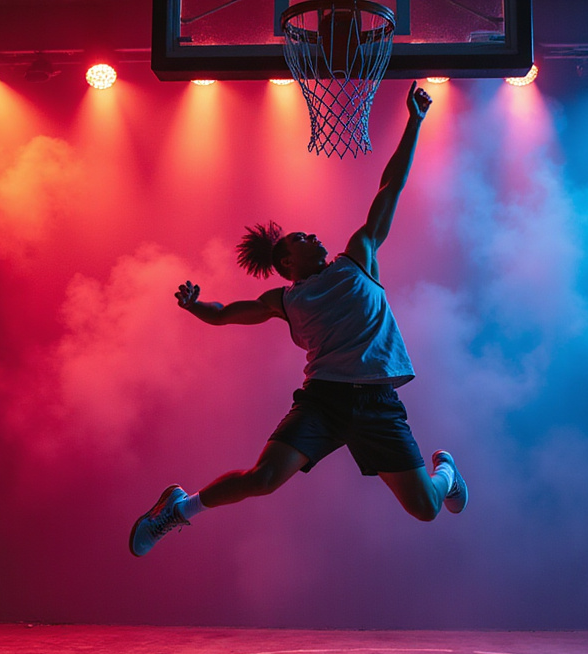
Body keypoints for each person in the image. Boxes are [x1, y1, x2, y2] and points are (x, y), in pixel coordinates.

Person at [130, 82, 466, 557]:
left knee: (427, 508)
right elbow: (226, 313)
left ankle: (446, 472)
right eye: (299, 237)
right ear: (286, 262)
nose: (311, 234)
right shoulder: (283, 299)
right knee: (263, 479)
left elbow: (391, 186)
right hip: (324, 400)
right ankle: (179, 507)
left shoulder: (359, 257)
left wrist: (414, 121)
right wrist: (194, 307)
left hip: (377, 403)